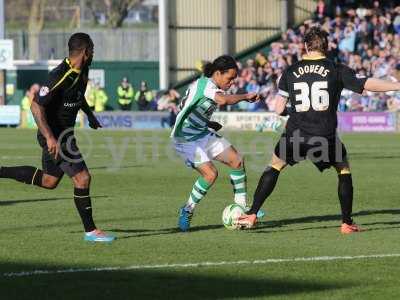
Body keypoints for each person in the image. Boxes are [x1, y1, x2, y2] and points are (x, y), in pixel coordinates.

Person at [237, 27, 400, 233]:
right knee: (343, 169)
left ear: (305, 46)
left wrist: (295, 110)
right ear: (327, 46)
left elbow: (278, 109)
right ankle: (347, 223)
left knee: (275, 166)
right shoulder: (336, 69)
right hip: (325, 136)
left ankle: (251, 214)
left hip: (295, 133)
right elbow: (367, 84)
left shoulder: (290, 71)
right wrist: (397, 86)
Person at [0, 33, 115, 242]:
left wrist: (89, 115)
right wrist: (50, 138)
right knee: (83, 178)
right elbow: (36, 106)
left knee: (49, 180)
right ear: (86, 51)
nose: (94, 54)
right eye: (93, 50)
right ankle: (91, 231)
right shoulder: (59, 75)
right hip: (56, 135)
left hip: (64, 134)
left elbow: (77, 96)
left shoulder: (83, 70)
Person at [171, 55, 263, 232]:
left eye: (234, 79)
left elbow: (193, 108)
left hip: (202, 133)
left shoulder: (210, 86)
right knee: (210, 174)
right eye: (230, 78)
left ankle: (242, 208)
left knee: (236, 160)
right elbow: (222, 100)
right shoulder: (206, 85)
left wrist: (208, 123)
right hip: (185, 139)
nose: (231, 83)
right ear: (218, 73)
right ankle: (187, 210)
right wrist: (245, 96)